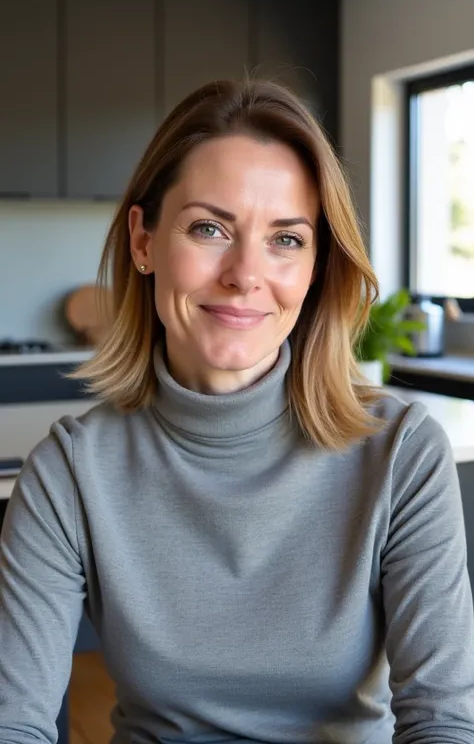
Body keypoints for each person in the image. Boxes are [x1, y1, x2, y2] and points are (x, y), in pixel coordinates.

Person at [0, 78, 473, 744]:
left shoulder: (400, 453)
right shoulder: (71, 473)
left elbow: (443, 724)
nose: (246, 274)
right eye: (210, 228)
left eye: (286, 239)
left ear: (315, 268)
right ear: (143, 241)